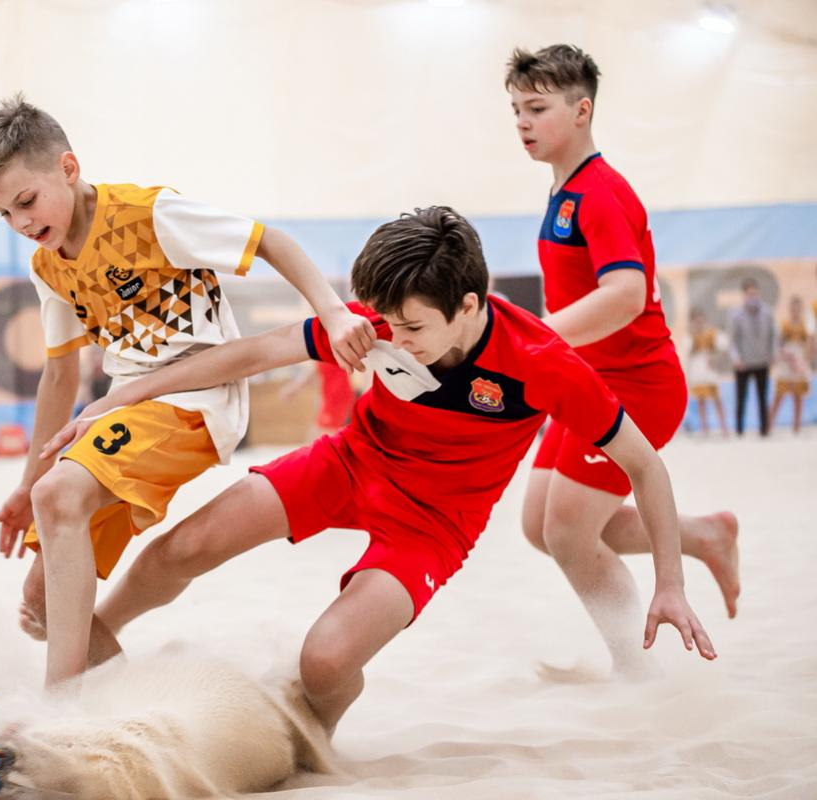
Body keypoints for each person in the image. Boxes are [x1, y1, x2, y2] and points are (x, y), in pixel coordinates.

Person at [44, 207, 716, 731]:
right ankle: (96, 635)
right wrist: (125, 395)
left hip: (433, 524)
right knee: (185, 547)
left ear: (469, 307)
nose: (393, 336)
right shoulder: (383, 318)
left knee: (324, 662)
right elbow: (254, 354)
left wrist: (669, 583)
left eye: (413, 328)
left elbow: (645, 467)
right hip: (350, 461)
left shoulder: (540, 362)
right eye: (387, 321)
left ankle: (316, 736)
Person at [0, 94, 375, 686]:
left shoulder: (149, 213)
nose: (22, 224)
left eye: (26, 202)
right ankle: (133, 706)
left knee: (59, 495)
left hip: (196, 395)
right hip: (125, 406)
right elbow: (59, 375)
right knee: (41, 606)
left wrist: (334, 312)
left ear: (68, 167)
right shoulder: (47, 266)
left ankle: (57, 706)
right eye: (3, 214)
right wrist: (25, 483)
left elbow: (270, 241)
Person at [506, 44, 738, 677]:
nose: (522, 122)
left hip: (639, 384)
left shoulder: (601, 192)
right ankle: (704, 535)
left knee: (567, 532)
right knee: (539, 524)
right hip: (589, 379)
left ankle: (636, 671)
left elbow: (627, 294)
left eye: (537, 109)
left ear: (582, 111)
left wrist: (534, 338)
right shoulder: (562, 188)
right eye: (516, 109)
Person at [729, 277, 776, 437]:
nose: (752, 297)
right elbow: (733, 340)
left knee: (762, 397)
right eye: (749, 294)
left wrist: (772, 355)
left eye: (755, 293)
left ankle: (764, 429)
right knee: (741, 397)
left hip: (762, 361)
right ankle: (739, 430)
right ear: (744, 294)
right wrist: (736, 358)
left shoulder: (767, 312)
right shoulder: (737, 315)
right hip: (743, 362)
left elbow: (773, 336)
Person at [770, 295, 812, 434]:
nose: (795, 311)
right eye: (793, 309)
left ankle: (797, 427)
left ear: (801, 309)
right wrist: (786, 357)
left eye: (797, 309)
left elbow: (810, 345)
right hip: (786, 362)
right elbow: (779, 344)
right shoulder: (784, 325)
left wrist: (803, 362)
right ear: (790, 309)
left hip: (799, 361)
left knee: (798, 396)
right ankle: (768, 426)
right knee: (779, 395)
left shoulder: (806, 326)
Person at [685, 308, 729, 436]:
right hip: (697, 369)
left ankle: (724, 427)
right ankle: (704, 428)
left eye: (700, 318)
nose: (698, 321)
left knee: (717, 398)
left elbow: (723, 347)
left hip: (710, 369)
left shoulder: (712, 333)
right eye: (695, 319)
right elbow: (688, 352)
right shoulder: (691, 336)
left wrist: (716, 359)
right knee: (701, 400)